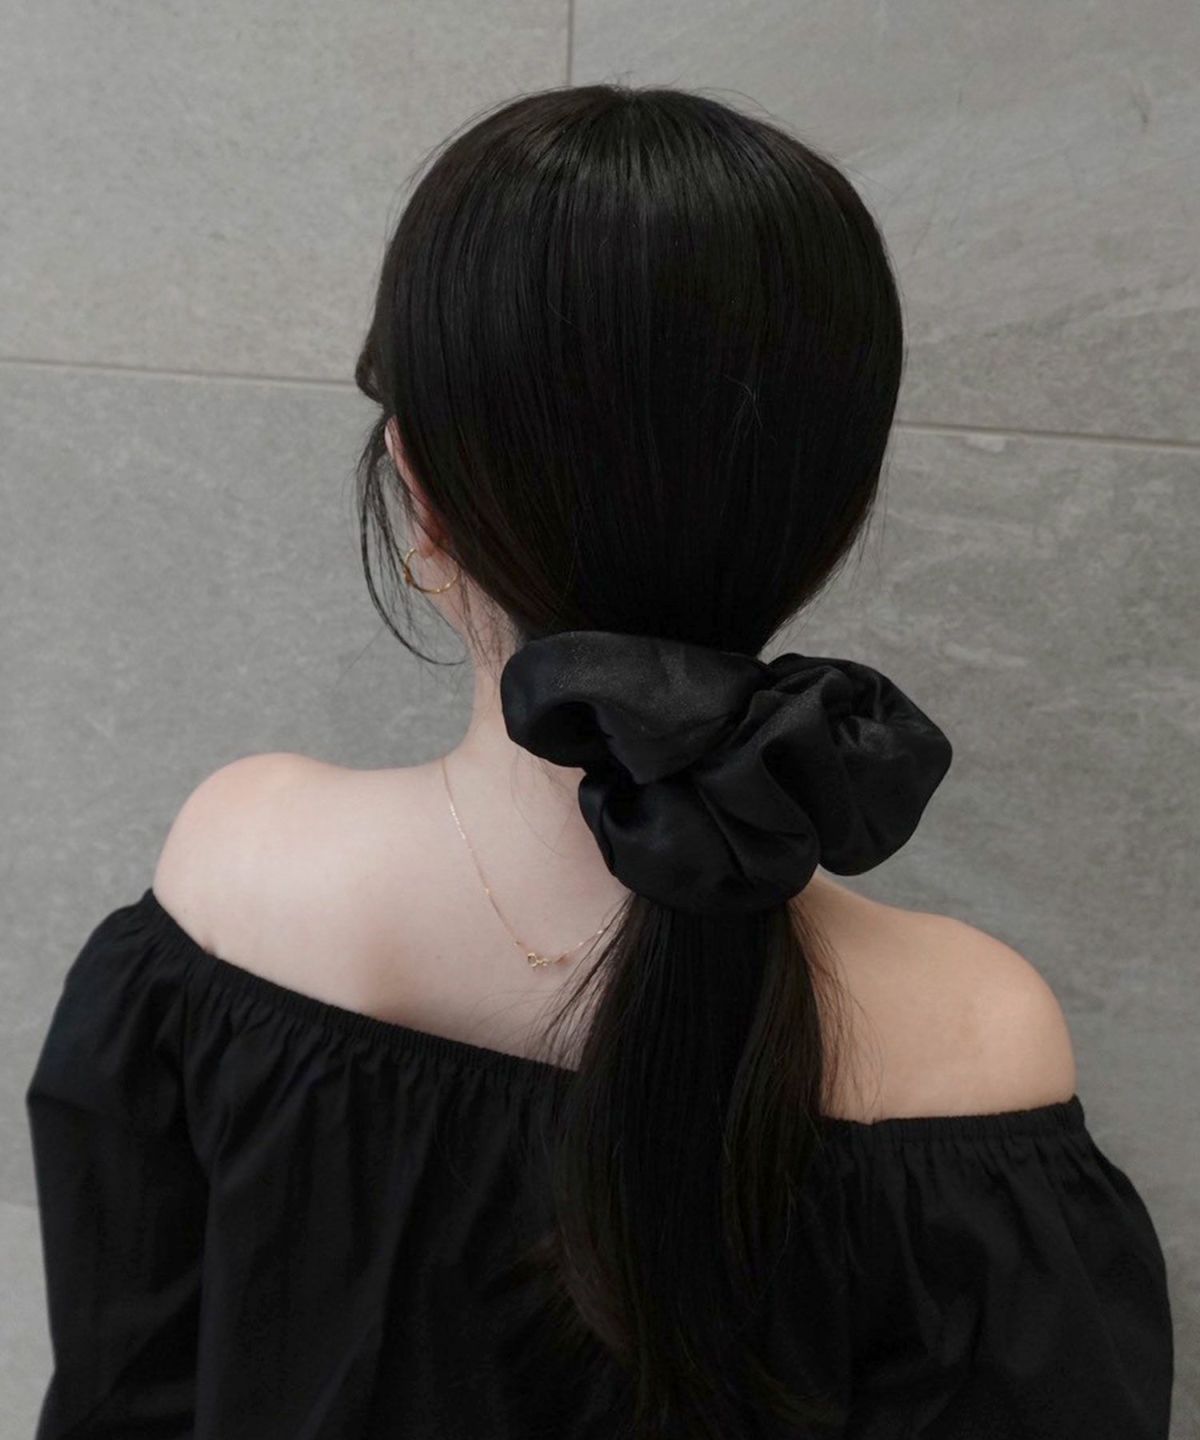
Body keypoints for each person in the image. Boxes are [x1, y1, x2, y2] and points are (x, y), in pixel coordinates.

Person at [25, 83, 1173, 1439]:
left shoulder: (241, 869)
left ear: (418, 490)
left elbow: (121, 1397)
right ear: (837, 504)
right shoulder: (977, 1038)